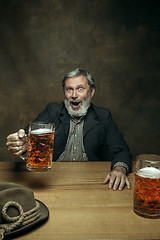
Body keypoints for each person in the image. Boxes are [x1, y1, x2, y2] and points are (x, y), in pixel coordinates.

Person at [6, 68, 132, 191]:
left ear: (91, 91)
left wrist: (120, 169)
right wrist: (20, 143)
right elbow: (28, 137)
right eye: (69, 89)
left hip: (92, 181)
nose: (74, 95)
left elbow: (120, 149)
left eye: (80, 89)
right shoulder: (52, 111)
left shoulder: (104, 116)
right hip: (52, 179)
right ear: (64, 93)